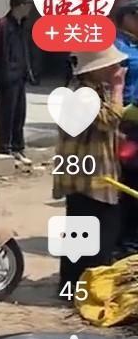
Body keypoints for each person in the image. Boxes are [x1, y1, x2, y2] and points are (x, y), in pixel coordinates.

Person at [52, 43, 127, 298]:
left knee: (78, 235)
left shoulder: (90, 91)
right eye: (110, 64)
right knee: (101, 236)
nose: (116, 67)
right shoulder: (85, 94)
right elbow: (108, 120)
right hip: (91, 178)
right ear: (95, 69)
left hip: (82, 176)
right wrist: (118, 88)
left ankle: (71, 289)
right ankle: (88, 292)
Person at [0, 0, 33, 158]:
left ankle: (18, 147)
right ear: (19, 6)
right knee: (7, 114)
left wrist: (27, 70)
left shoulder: (21, 26)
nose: (29, 9)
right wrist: (0, 75)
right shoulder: (3, 26)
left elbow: (23, 51)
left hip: (19, 77)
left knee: (19, 114)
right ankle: (5, 147)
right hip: (6, 79)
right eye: (27, 5)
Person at [114, 0, 138, 251]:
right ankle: (126, 242)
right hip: (126, 125)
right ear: (127, 17)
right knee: (129, 182)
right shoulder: (115, 46)